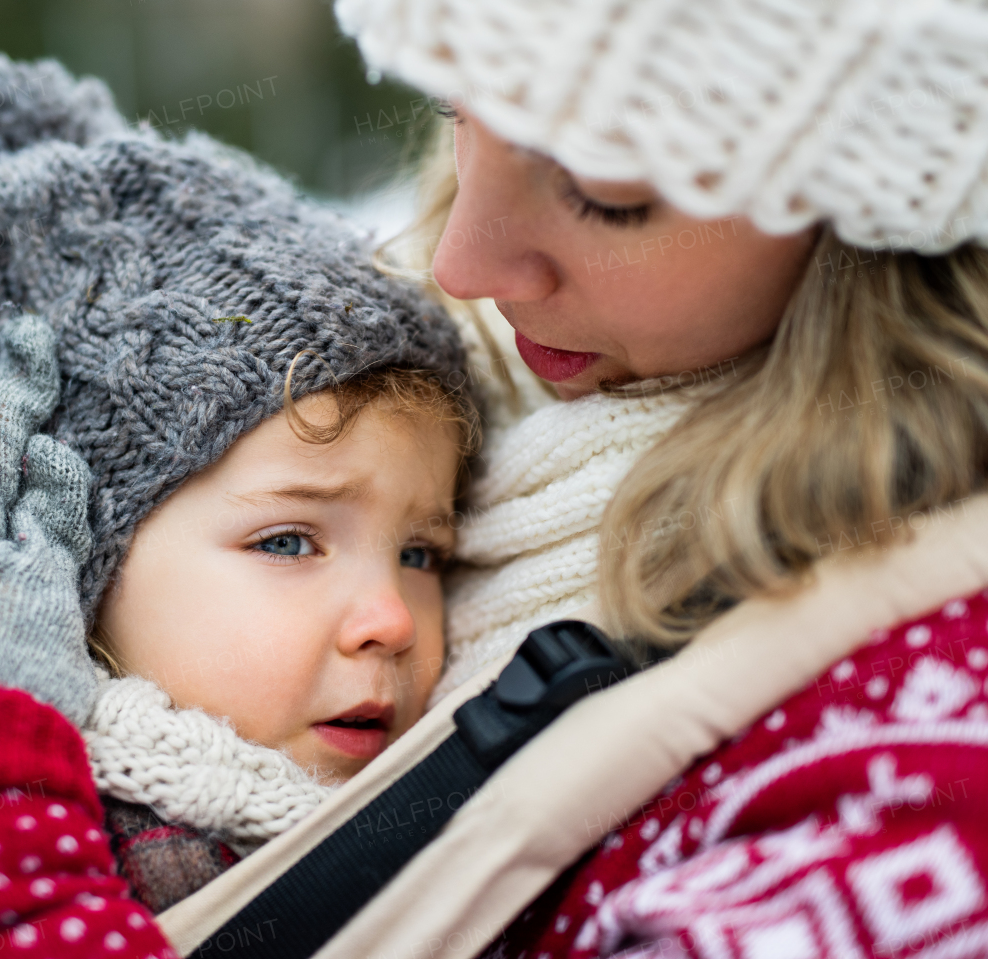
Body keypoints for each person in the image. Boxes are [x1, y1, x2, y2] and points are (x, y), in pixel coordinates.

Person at [0, 55, 476, 957]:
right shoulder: (68, 802)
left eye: (421, 552)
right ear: (64, 574)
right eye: (288, 540)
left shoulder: (447, 817)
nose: (391, 618)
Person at [322, 0, 988, 956]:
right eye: (455, 111)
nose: (461, 262)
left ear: (869, 215)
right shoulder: (405, 370)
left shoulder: (923, 772)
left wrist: (25, 805)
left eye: (603, 191)